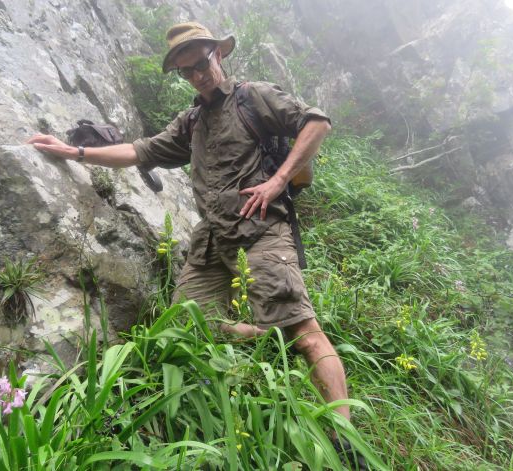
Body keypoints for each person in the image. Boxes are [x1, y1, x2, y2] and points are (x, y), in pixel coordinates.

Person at [28, 22, 367, 468]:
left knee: (303, 332)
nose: (197, 75)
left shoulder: (252, 96)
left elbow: (316, 122)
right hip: (210, 243)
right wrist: (75, 153)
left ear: (218, 55)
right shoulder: (191, 123)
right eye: (186, 71)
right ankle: (265, 336)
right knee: (186, 327)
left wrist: (277, 180)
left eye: (201, 63)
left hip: (262, 232)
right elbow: (138, 151)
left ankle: (343, 437)